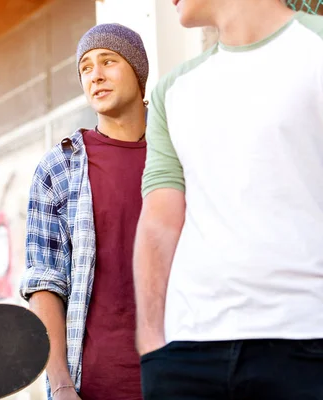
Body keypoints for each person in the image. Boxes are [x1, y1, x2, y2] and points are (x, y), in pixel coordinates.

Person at [134, 0, 323, 399]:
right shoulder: (173, 91)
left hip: (307, 340)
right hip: (187, 355)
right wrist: (152, 345)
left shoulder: (315, 47)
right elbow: (159, 222)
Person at [20, 23, 149, 399]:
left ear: (138, 71)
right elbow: (44, 284)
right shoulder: (58, 169)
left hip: (182, 374)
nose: (96, 75)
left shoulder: (179, 152)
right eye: (86, 68)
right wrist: (60, 385)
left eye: (108, 61)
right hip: (92, 384)